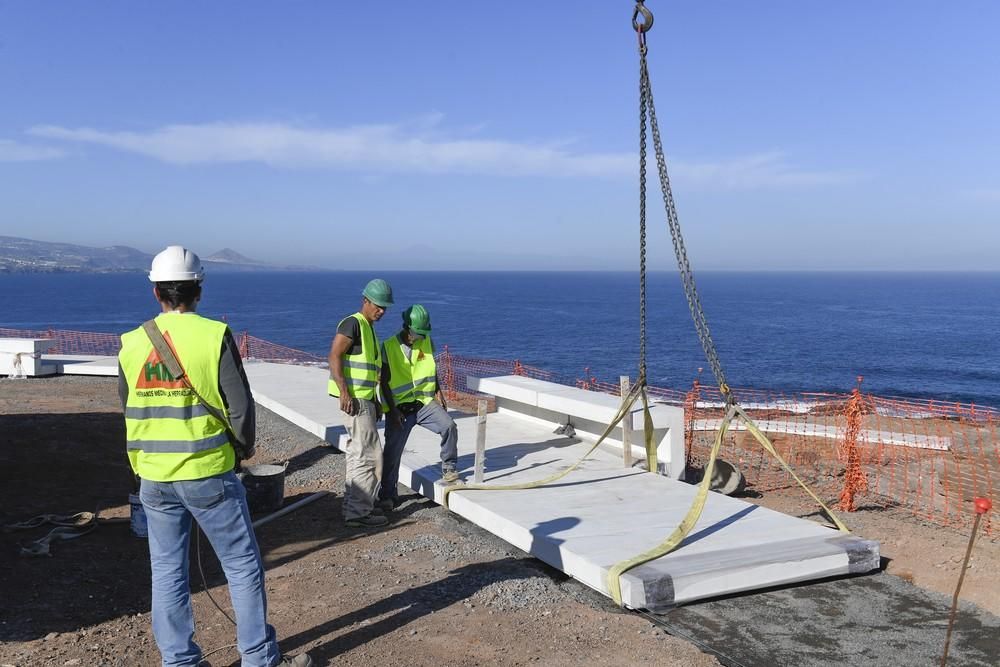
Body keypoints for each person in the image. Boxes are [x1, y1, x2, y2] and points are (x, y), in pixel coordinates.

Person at [118, 245, 311, 667]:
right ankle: (259, 659)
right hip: (208, 473)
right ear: (198, 290)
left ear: (156, 292)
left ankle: (180, 661)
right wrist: (240, 450)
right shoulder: (212, 335)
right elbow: (240, 406)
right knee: (241, 566)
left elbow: (128, 407)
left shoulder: (131, 344)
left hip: (153, 477)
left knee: (167, 573)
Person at [379, 304, 460, 512]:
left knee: (449, 426)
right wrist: (392, 410)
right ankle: (388, 495)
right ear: (407, 327)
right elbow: (384, 382)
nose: (421, 336)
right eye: (418, 332)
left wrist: (438, 393)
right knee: (392, 452)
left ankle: (449, 470)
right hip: (399, 409)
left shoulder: (426, 341)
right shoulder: (388, 346)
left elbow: (431, 370)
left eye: (424, 332)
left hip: (423, 403)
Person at [328, 278, 393, 528]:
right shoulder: (353, 323)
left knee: (358, 454)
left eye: (385, 307)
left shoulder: (367, 328)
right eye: (378, 305)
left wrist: (376, 400)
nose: (382, 311)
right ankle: (360, 512)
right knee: (371, 455)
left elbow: (369, 372)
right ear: (365, 300)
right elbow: (334, 355)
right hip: (354, 400)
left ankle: (353, 508)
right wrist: (345, 392)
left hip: (364, 399)